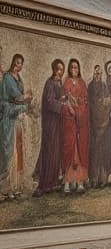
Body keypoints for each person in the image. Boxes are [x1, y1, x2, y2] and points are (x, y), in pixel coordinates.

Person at [0, 55, 32, 199]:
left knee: (19, 152)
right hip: (9, 119)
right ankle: (6, 188)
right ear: (13, 62)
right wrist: (25, 98)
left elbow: (20, 98)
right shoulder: (8, 77)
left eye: (21, 64)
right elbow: (16, 97)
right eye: (18, 63)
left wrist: (24, 100)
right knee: (9, 153)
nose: (19, 66)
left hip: (17, 119)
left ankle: (15, 186)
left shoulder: (18, 78)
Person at [33, 59, 66, 195]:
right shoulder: (50, 83)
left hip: (58, 123)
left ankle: (53, 183)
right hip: (50, 124)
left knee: (56, 152)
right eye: (58, 69)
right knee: (48, 152)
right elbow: (50, 102)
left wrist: (64, 100)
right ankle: (43, 185)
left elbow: (60, 98)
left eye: (62, 70)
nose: (60, 72)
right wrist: (62, 105)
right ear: (54, 69)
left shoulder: (60, 83)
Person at [61, 58, 89, 193]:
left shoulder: (82, 83)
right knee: (69, 150)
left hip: (80, 122)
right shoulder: (66, 82)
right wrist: (69, 107)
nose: (74, 69)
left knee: (80, 151)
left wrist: (77, 109)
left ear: (79, 69)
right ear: (69, 69)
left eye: (76, 67)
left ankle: (79, 182)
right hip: (69, 122)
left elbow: (85, 101)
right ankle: (67, 182)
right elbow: (63, 100)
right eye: (72, 67)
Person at [87, 63, 111, 187]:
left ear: (101, 74)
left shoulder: (104, 86)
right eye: (96, 73)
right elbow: (89, 104)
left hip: (103, 124)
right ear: (93, 74)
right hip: (93, 124)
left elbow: (108, 102)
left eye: (99, 73)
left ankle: (102, 179)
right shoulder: (90, 87)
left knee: (103, 153)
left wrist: (104, 102)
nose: (97, 75)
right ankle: (93, 179)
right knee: (93, 152)